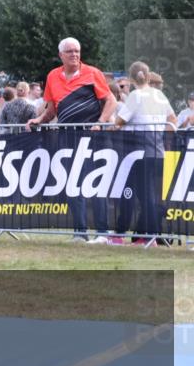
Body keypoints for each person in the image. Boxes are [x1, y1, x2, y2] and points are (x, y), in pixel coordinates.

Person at [27, 37, 117, 240]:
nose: (74, 54)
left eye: (77, 50)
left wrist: (101, 121)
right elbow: (52, 109)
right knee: (73, 183)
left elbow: (111, 100)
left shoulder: (93, 73)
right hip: (67, 138)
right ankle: (80, 233)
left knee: (96, 183)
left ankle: (102, 233)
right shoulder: (52, 76)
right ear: (61, 55)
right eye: (70, 51)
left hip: (94, 137)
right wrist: (39, 119)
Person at [110, 61, 176, 245]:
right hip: (158, 152)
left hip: (139, 153)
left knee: (143, 196)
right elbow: (173, 120)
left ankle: (148, 235)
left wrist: (113, 125)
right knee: (146, 195)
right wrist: (161, 137)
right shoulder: (160, 95)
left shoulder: (135, 95)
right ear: (148, 76)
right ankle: (142, 235)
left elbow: (119, 121)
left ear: (131, 79)